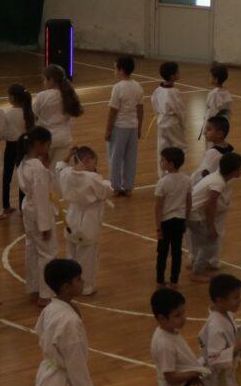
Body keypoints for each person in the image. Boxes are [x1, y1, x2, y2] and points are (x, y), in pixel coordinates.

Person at [56, 145, 112, 297]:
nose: (95, 166)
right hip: (88, 221)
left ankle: (70, 284)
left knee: (71, 255)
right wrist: (105, 182)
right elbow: (107, 191)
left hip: (71, 218)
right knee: (87, 258)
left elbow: (59, 167)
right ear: (87, 160)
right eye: (94, 162)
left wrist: (68, 155)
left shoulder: (66, 174)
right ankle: (85, 287)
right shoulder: (92, 178)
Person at [18, 128, 59, 302]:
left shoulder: (24, 162)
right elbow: (41, 196)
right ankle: (46, 294)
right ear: (38, 145)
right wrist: (45, 225)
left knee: (32, 249)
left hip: (28, 209)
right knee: (47, 253)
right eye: (47, 145)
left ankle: (34, 287)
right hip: (39, 211)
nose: (48, 149)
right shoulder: (37, 168)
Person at [187, 151, 241, 279]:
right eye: (240, 168)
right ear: (234, 172)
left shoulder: (215, 177)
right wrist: (211, 227)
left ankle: (199, 265)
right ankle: (197, 273)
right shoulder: (218, 183)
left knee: (206, 242)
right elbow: (210, 206)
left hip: (190, 213)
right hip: (193, 216)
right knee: (210, 243)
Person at [104, 55, 146, 195]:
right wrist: (139, 127)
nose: (114, 71)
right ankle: (128, 187)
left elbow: (113, 111)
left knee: (115, 158)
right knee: (130, 158)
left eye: (115, 68)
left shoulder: (118, 88)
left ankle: (115, 187)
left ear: (121, 70)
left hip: (119, 127)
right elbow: (140, 110)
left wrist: (108, 130)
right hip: (132, 127)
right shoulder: (138, 86)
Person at [153, 147, 191, 285]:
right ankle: (174, 279)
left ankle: (160, 279)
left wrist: (158, 227)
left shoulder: (163, 182)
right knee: (176, 251)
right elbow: (189, 202)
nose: (160, 162)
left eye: (163, 160)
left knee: (162, 252)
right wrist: (186, 219)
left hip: (166, 221)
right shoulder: (187, 179)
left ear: (171, 164)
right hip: (180, 219)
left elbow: (158, 207)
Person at [32, 64, 82, 159]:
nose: (43, 82)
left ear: (51, 80)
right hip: (64, 138)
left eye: (44, 79)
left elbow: (33, 116)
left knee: (43, 167)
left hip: (46, 140)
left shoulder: (42, 96)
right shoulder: (68, 95)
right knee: (60, 167)